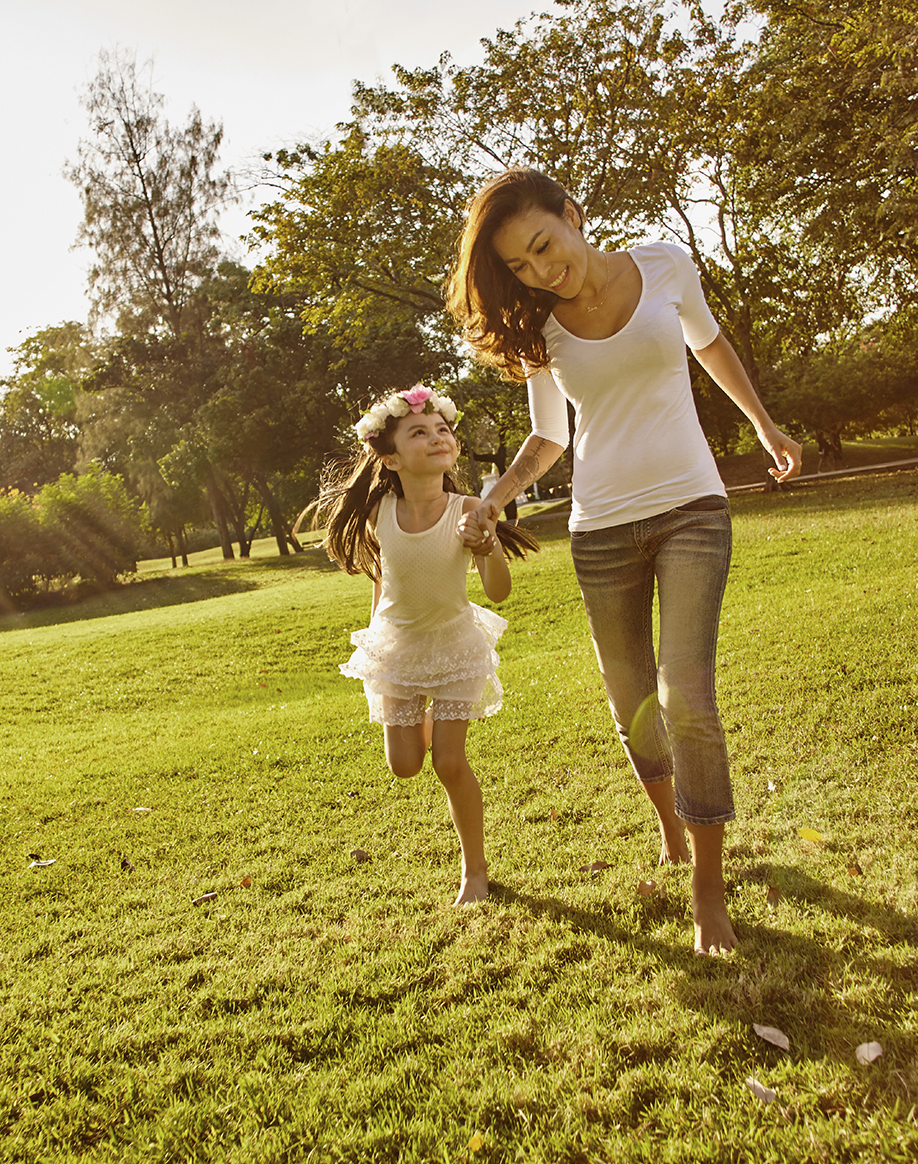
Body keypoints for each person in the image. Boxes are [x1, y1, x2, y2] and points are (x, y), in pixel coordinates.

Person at [446, 168, 802, 954]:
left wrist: (767, 427)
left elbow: (711, 347)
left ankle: (709, 892)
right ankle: (669, 831)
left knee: (686, 695)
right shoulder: (540, 329)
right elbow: (550, 437)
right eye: (520, 266)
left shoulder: (667, 265)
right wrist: (496, 496)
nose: (542, 271)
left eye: (544, 246)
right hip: (601, 528)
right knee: (631, 697)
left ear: (574, 215)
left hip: (692, 509)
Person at [305, 384, 539, 906]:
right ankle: (431, 720)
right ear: (389, 459)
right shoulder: (379, 514)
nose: (437, 438)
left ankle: (474, 872)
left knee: (449, 763)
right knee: (405, 764)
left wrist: (489, 543)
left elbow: (498, 591)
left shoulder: (469, 507)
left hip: (454, 644)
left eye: (442, 430)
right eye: (419, 432)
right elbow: (381, 583)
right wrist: (374, 650)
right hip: (397, 651)